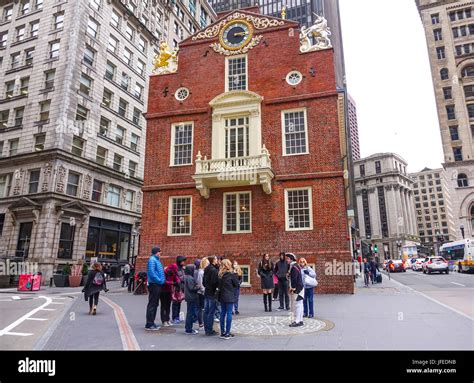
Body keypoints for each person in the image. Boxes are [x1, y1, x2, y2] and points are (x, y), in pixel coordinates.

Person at [218, 259, 239, 339]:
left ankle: (222, 332)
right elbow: (237, 284)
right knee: (229, 313)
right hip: (229, 296)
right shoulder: (231, 274)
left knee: (222, 313)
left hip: (222, 296)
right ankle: (227, 333)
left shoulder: (220, 275)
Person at [145, 246, 165, 331]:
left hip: (156, 284)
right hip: (154, 284)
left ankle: (151, 323)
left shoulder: (155, 260)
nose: (161, 253)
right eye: (160, 252)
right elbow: (152, 273)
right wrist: (159, 280)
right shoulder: (152, 260)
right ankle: (149, 323)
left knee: (154, 303)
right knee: (152, 303)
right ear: (156, 252)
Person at [286, 253, 304, 327]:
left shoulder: (294, 267)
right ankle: (300, 320)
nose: (287, 260)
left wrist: (293, 288)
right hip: (299, 287)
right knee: (300, 304)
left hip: (297, 288)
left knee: (298, 305)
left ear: (291, 259)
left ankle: (297, 321)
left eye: (288, 259)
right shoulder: (295, 266)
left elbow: (294, 279)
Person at [203, 256, 219, 336]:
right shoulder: (213, 270)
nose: (217, 260)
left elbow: (204, 282)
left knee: (206, 311)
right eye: (216, 259)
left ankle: (206, 329)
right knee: (211, 312)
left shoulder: (206, 269)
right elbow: (214, 282)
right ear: (213, 260)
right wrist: (216, 288)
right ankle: (209, 330)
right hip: (212, 293)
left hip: (207, 292)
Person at [184, 264, 200, 335]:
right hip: (191, 297)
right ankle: (189, 329)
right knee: (190, 313)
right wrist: (198, 287)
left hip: (188, 297)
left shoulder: (186, 277)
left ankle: (188, 328)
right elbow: (192, 288)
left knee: (189, 313)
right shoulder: (190, 278)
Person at [171, 255, 187, 324]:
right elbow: (177, 277)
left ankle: (177, 316)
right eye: (183, 261)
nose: (184, 262)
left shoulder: (182, 268)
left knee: (179, 302)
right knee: (175, 302)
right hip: (176, 287)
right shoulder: (176, 268)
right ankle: (174, 317)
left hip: (181, 287)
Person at [195, 258, 209, 328]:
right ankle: (201, 323)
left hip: (202, 292)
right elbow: (200, 284)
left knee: (202, 308)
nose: (208, 264)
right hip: (201, 293)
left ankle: (202, 322)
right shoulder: (201, 272)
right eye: (207, 263)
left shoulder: (203, 271)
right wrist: (204, 291)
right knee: (201, 308)